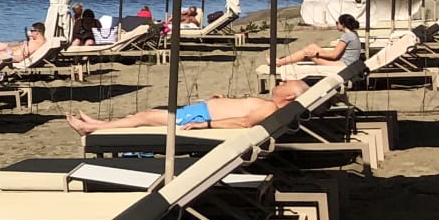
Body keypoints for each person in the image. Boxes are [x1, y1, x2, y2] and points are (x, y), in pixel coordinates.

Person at [66, 81, 305, 135]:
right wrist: (225, 100)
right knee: (143, 115)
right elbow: (241, 113)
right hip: (203, 112)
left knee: (144, 117)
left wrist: (206, 124)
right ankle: (99, 124)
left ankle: (92, 128)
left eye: (286, 83)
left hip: (200, 116)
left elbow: (244, 122)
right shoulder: (270, 106)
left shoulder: (271, 109)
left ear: (290, 96)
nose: (281, 82)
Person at [278, 12, 365, 70]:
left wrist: (316, 54)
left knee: (307, 52)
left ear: (343, 24)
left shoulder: (347, 36)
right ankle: (281, 61)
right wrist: (317, 52)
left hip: (342, 65)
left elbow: (334, 55)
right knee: (312, 46)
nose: (336, 25)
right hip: (346, 63)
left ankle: (279, 62)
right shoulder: (353, 34)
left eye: (337, 23)